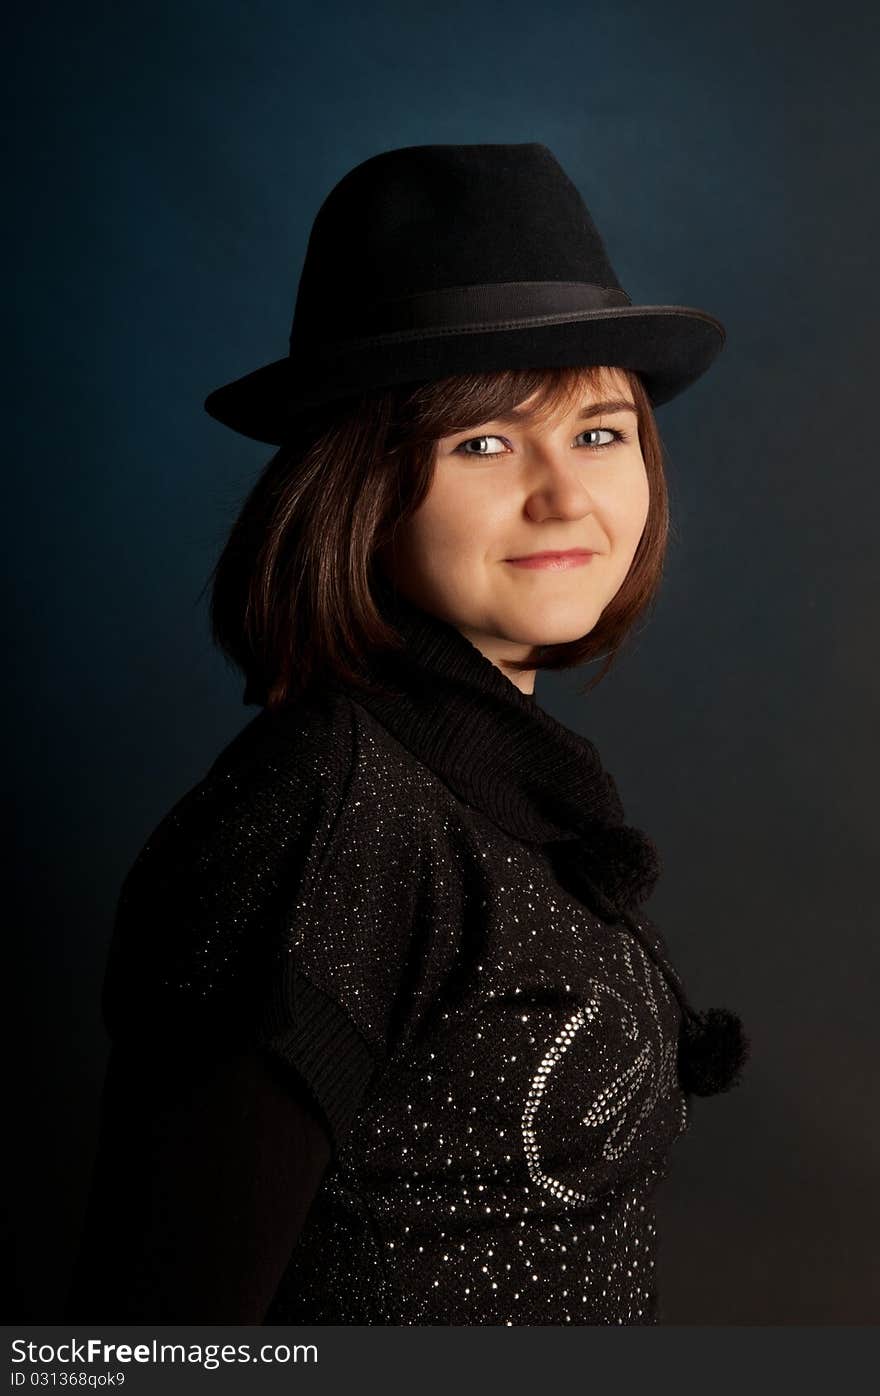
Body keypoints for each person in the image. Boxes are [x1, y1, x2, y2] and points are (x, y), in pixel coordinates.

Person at [65, 142, 749, 1326]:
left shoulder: (496, 783)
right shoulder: (322, 827)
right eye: (482, 442)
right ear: (358, 486)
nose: (564, 495)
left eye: (597, 431)